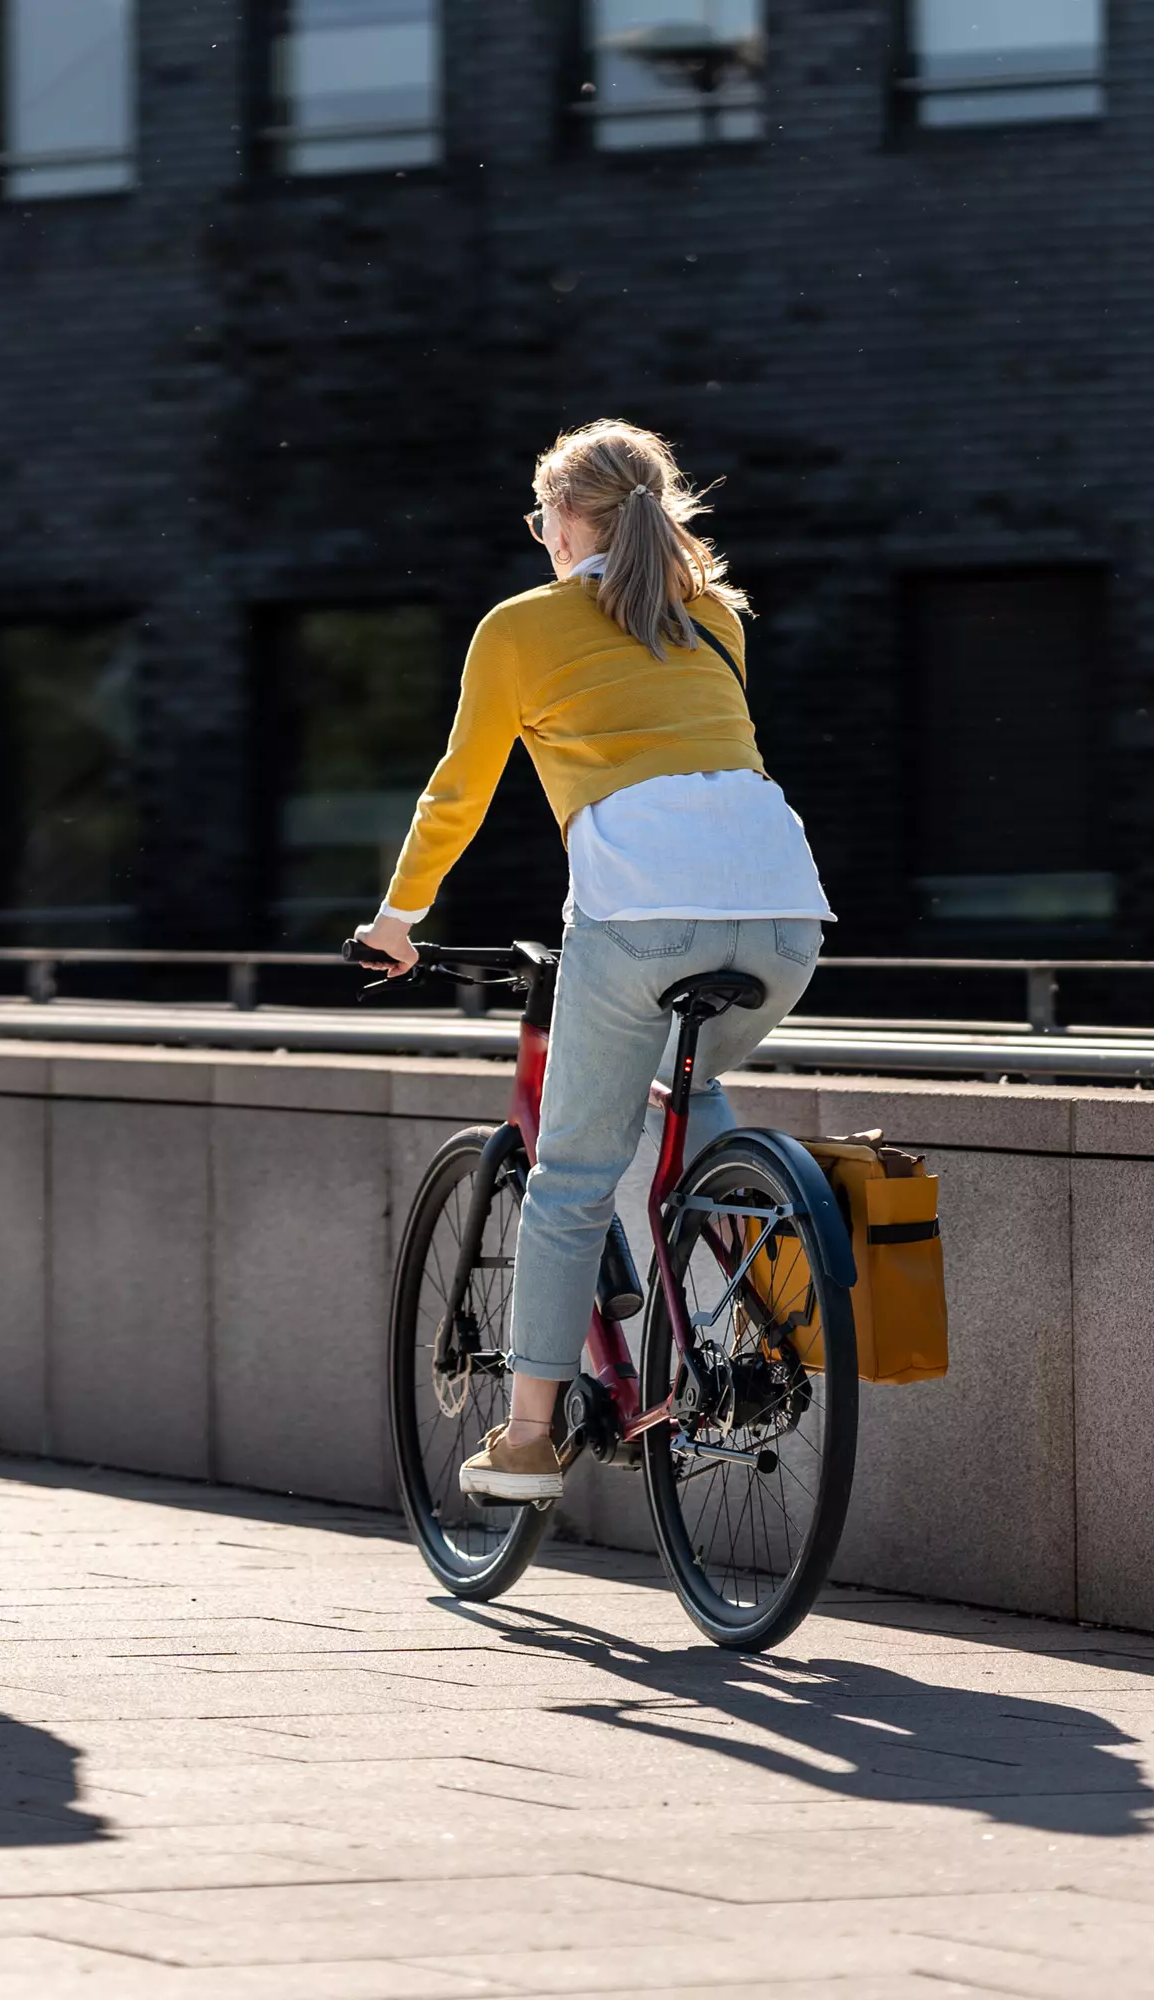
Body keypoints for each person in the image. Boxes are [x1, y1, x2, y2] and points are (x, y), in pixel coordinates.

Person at [355, 419, 832, 1505]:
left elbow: (458, 790)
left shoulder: (520, 627)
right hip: (787, 920)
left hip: (640, 922)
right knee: (687, 1080)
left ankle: (526, 1439)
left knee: (571, 1177)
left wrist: (397, 919)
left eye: (542, 517)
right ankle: (766, 1291)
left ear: (568, 517)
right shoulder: (713, 616)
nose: (540, 536)